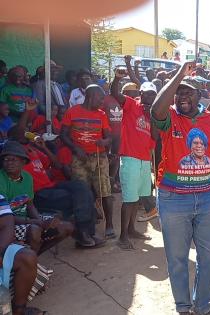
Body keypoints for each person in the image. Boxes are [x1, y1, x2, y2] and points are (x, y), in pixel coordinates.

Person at [151, 61, 210, 315]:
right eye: (179, 91)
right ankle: (183, 307)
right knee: (177, 259)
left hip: (207, 197)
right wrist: (179, 74)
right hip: (173, 199)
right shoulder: (169, 118)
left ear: (200, 96)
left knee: (208, 258)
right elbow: (156, 108)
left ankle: (203, 305)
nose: (182, 96)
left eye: (189, 91)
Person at [110, 65, 157, 250]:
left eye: (153, 95)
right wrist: (117, 79)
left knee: (137, 197)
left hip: (144, 159)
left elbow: (154, 137)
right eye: (146, 94)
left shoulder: (153, 113)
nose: (149, 98)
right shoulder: (131, 104)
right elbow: (115, 93)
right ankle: (122, 237)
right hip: (130, 158)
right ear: (141, 93)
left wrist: (151, 115)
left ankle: (131, 230)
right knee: (129, 199)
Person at [60, 84, 115, 239]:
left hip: (99, 157)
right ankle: (85, 228)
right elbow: (63, 134)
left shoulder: (102, 114)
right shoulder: (72, 111)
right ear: (91, 96)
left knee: (105, 191)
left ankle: (109, 224)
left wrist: (105, 142)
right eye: (101, 98)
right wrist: (75, 148)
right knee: (82, 192)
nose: (102, 101)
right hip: (79, 158)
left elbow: (109, 137)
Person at [0, 141, 74, 254]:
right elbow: (6, 217)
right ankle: (29, 264)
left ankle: (33, 257)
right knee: (35, 230)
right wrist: (37, 223)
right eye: (6, 159)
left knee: (65, 227)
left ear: (23, 162)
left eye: (13, 159)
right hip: (7, 225)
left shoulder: (27, 178)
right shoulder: (1, 179)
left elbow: (30, 205)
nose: (9, 163)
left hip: (25, 219)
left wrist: (40, 221)